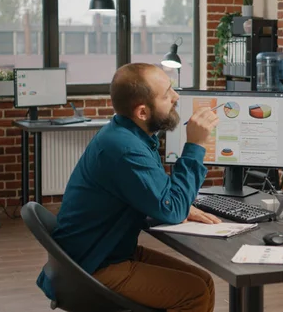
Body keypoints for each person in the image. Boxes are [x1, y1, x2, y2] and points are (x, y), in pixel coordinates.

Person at [36, 63, 223, 312]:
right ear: (142, 112)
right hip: (93, 265)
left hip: (103, 251)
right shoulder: (126, 149)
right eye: (167, 94)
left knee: (205, 282)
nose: (176, 97)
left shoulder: (129, 135)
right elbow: (171, 210)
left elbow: (159, 198)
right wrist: (196, 145)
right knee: (194, 293)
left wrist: (179, 205)